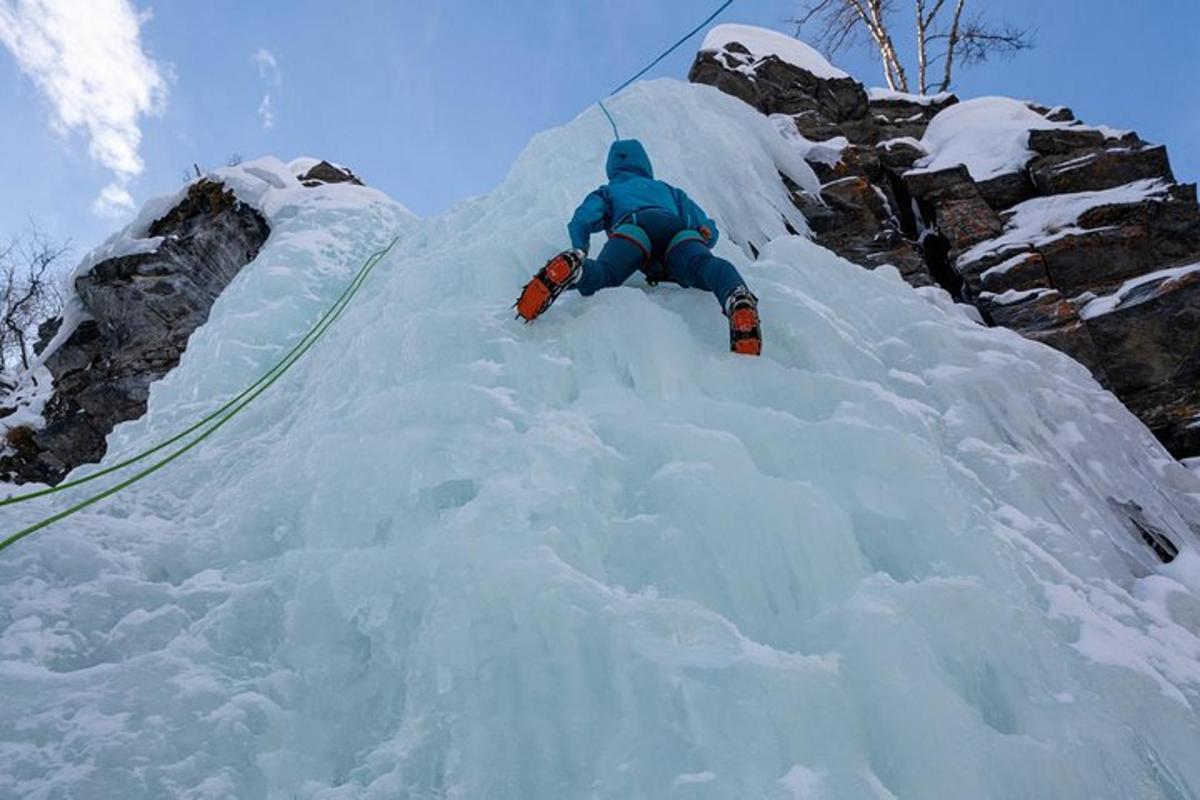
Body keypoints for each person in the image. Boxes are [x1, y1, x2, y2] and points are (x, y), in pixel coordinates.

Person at [515, 139, 762, 355]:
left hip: (633, 228)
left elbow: (582, 218)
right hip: (677, 231)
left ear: (612, 167)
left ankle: (576, 269)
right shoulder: (669, 190)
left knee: (606, 273)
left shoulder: (609, 191)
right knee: (704, 266)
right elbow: (705, 226)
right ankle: (736, 296)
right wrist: (706, 235)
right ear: (645, 163)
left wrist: (580, 247)